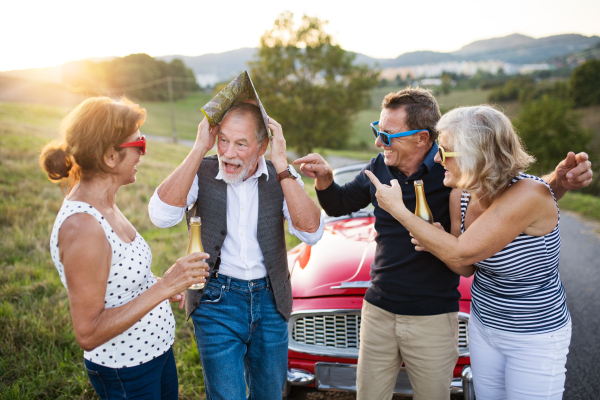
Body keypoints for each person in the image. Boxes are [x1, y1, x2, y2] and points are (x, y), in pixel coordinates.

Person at [295, 88, 593, 400]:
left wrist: (556, 184)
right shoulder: (434, 183)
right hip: (438, 316)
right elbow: (341, 204)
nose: (379, 141)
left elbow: (508, 205)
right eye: (377, 131)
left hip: (465, 319)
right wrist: (325, 180)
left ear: (422, 138)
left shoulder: (462, 179)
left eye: (388, 134)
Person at [366, 104, 583, 399]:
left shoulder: (530, 195)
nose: (437, 158)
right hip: (484, 326)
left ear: (476, 155)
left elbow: (460, 254)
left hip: (534, 335)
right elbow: (466, 267)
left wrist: (397, 209)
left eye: (445, 151)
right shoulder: (462, 195)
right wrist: (439, 241)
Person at [148, 102, 324, 400]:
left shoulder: (279, 175)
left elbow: (311, 232)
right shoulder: (202, 170)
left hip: (271, 301)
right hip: (216, 300)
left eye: (241, 144)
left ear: (262, 146)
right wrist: (197, 150)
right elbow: (160, 217)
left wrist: (282, 166)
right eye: (223, 140)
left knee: (269, 394)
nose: (228, 153)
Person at [40, 97, 209, 400]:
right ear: (109, 157)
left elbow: (119, 282)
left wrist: (162, 286)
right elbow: (88, 332)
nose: (143, 153)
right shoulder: (82, 226)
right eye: (139, 144)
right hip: (126, 372)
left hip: (155, 355)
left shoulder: (105, 203)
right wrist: (165, 286)